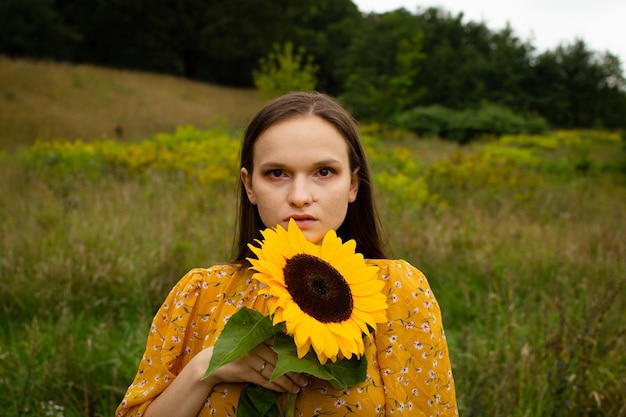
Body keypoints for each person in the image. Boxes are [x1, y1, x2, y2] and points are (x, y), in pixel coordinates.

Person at [116, 91, 458, 416]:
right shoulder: (201, 294)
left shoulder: (394, 291)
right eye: (276, 173)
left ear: (353, 184)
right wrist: (208, 367)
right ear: (249, 185)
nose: (299, 196)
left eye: (324, 172)